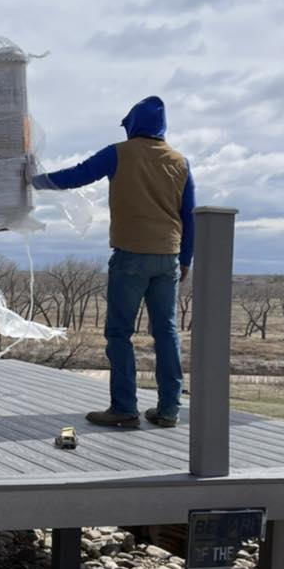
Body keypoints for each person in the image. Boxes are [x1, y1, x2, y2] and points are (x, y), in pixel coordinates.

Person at [32, 96, 194, 429]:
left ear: (133, 124)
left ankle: (124, 408)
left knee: (119, 333)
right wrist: (186, 259)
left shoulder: (119, 153)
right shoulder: (180, 162)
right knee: (166, 333)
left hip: (131, 254)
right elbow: (188, 216)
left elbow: (78, 175)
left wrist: (34, 180)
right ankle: (168, 410)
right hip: (168, 257)